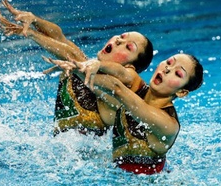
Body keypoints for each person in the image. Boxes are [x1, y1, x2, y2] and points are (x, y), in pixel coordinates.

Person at [0, 0, 154, 136]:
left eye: (129, 48)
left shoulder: (119, 91)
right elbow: (58, 36)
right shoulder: (82, 63)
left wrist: (32, 34)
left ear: (130, 67)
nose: (119, 41)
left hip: (91, 166)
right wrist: (34, 20)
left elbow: (72, 55)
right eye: (121, 36)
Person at [48, 53, 203, 175]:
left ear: (182, 92)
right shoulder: (137, 85)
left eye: (178, 74)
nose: (167, 69)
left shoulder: (167, 125)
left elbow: (118, 90)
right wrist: (91, 65)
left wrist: (77, 69)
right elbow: (120, 72)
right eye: (169, 62)